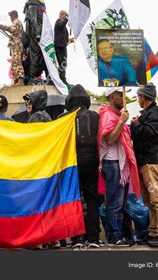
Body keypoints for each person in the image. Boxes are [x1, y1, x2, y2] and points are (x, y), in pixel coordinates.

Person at [58, 85, 101, 248]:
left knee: (73, 199)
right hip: (91, 162)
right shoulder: (94, 116)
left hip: (72, 163)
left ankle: (76, 239)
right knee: (92, 200)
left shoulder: (64, 117)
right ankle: (94, 238)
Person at [98, 87, 140, 247]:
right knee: (114, 203)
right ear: (111, 97)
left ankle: (118, 235)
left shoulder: (115, 114)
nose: (124, 98)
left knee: (120, 204)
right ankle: (114, 237)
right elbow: (109, 139)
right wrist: (121, 122)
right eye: (120, 95)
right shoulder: (108, 115)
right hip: (113, 164)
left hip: (120, 165)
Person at [130, 83, 158, 247]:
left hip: (153, 162)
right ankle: (154, 231)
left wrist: (135, 124)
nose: (138, 99)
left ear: (143, 97)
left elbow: (149, 132)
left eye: (139, 96)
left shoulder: (154, 113)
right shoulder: (149, 113)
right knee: (150, 201)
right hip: (147, 162)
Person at [23, 0, 48, 81]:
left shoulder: (39, 3)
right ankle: (33, 76)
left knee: (39, 53)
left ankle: (34, 74)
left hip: (41, 32)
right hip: (35, 32)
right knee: (35, 53)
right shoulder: (33, 3)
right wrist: (38, 33)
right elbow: (33, 19)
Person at [0, 11, 24, 86]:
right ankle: (16, 79)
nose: (10, 18)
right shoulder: (16, 22)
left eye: (11, 16)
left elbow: (12, 29)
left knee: (17, 61)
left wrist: (1, 26)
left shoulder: (17, 22)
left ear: (15, 15)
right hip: (15, 44)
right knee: (14, 62)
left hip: (16, 44)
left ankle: (20, 79)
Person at [54, 10, 69, 83]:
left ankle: (62, 78)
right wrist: (67, 18)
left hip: (62, 46)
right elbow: (61, 25)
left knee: (62, 63)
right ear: (62, 15)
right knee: (63, 63)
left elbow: (62, 37)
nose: (66, 17)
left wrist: (69, 41)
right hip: (60, 47)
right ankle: (62, 79)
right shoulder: (58, 21)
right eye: (65, 15)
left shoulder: (61, 24)